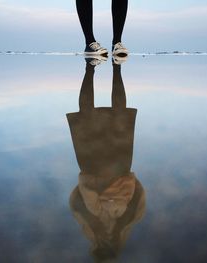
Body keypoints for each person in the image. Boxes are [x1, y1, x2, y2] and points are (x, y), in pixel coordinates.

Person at [67, 60, 145, 262]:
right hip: (110, 168)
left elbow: (77, 203)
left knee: (95, 116)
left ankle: (95, 68)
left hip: (100, 168)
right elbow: (138, 198)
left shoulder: (100, 229)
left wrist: (86, 187)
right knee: (109, 116)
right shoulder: (121, 226)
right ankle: (108, 68)